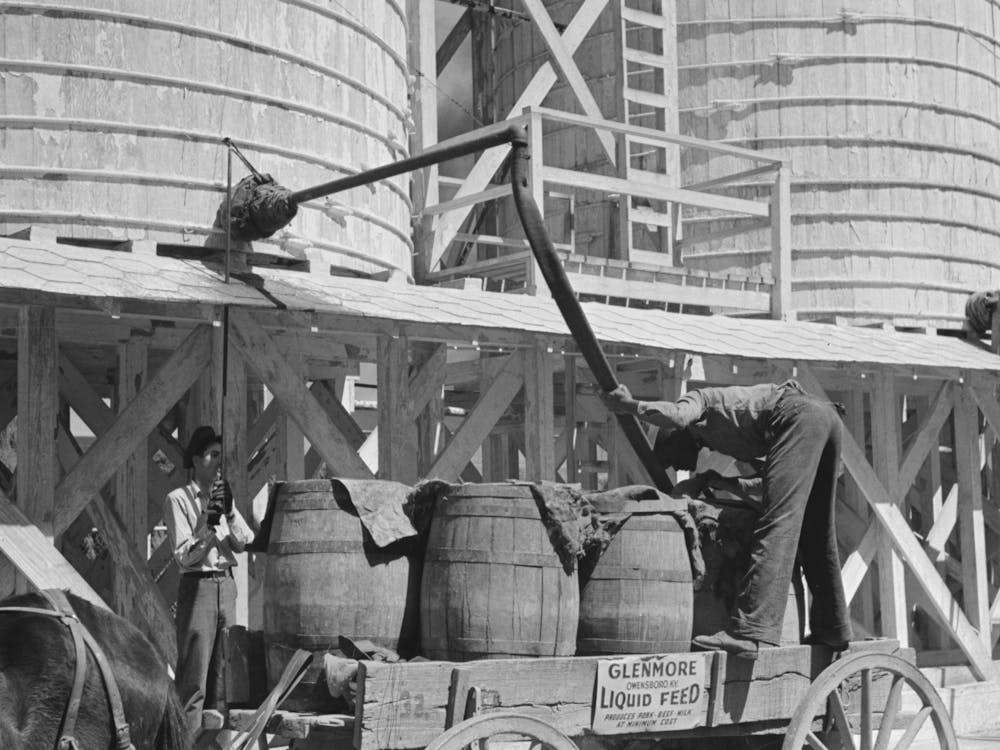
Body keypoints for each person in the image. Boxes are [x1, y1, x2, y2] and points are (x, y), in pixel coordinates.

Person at [603, 380, 852, 659]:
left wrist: (629, 406)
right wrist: (720, 482)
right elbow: (771, 478)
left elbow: (675, 415)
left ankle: (751, 633)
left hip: (798, 415)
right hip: (821, 418)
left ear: (674, 436)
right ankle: (833, 628)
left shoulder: (699, 401)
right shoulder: (724, 435)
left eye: (670, 457)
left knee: (776, 524)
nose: (678, 466)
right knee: (816, 532)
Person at [163, 426, 253, 737]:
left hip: (226, 586)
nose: (218, 462)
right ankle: (183, 744)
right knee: (194, 679)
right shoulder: (178, 500)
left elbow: (244, 541)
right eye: (212, 455)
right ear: (197, 459)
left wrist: (227, 511)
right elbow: (184, 557)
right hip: (199, 586)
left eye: (219, 455)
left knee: (223, 678)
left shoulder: (222, 497)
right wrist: (208, 527)